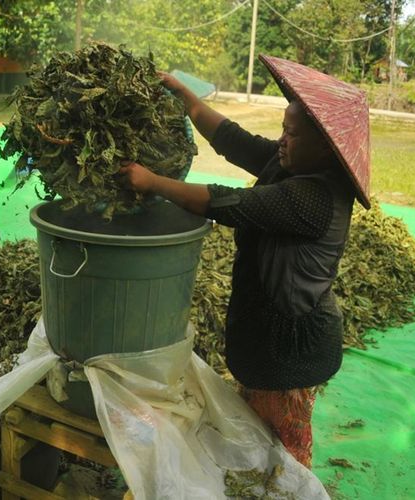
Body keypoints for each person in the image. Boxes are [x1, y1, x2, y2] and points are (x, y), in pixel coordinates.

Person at [119, 55, 371, 469]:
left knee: (287, 452)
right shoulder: (290, 161)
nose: (281, 141)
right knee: (253, 431)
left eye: (291, 134)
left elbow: (230, 203)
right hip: (265, 334)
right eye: (283, 130)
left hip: (292, 348)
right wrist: (186, 98)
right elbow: (232, 140)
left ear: (327, 147)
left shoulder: (316, 199)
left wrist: (152, 182)